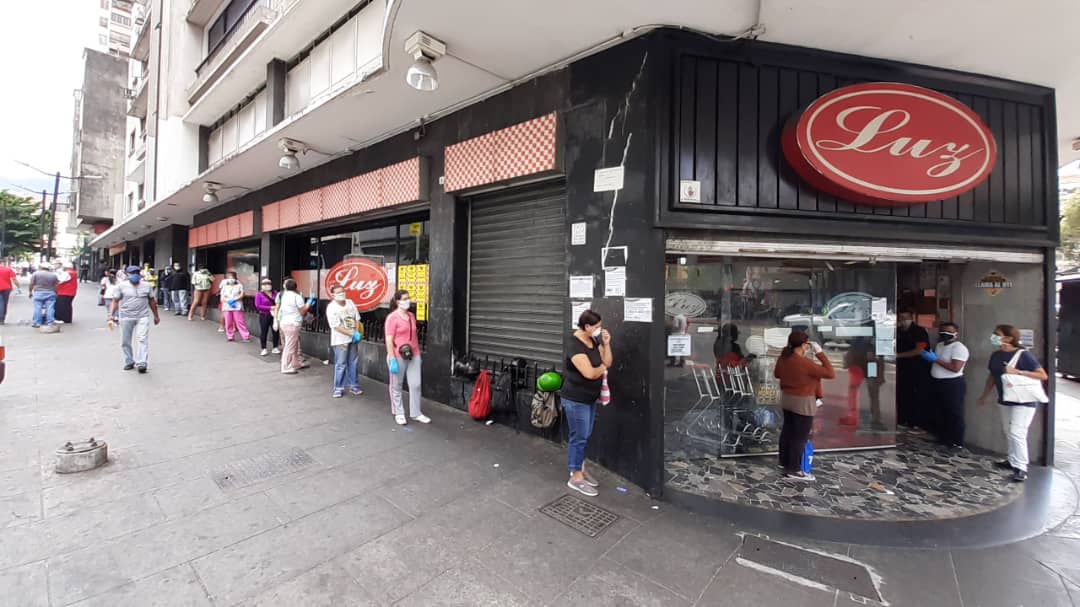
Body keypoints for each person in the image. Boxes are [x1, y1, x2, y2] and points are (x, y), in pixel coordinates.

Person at [977, 324, 1049, 482]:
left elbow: (1042, 375)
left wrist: (1018, 372)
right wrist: (984, 396)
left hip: (1024, 401)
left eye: (997, 334)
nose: (993, 337)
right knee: (1008, 431)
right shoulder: (996, 355)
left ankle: (1021, 467)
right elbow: (992, 377)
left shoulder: (1023, 355)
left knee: (1017, 432)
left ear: (1009, 338)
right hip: (1005, 399)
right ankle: (1012, 460)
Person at [560, 309, 613, 497]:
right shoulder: (574, 345)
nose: (600, 330)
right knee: (579, 437)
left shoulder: (593, 340)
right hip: (575, 400)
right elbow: (589, 373)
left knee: (585, 435)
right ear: (587, 326)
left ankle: (579, 468)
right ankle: (575, 478)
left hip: (589, 398)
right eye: (597, 327)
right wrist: (602, 367)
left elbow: (607, 362)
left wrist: (606, 344)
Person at [774, 331, 835, 481]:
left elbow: (777, 374)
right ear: (803, 345)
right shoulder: (804, 363)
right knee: (799, 436)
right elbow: (830, 373)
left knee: (788, 432)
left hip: (788, 399)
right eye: (807, 344)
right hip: (803, 402)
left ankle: (784, 462)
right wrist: (820, 353)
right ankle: (794, 469)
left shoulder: (784, 358)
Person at [385, 289, 429, 425]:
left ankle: (416, 413)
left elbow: (414, 336)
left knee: (416, 384)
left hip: (414, 354)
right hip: (397, 355)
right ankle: (398, 412)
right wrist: (392, 358)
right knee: (396, 385)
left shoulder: (411, 316)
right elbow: (389, 339)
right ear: (398, 301)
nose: (407, 301)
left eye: (408, 298)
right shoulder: (392, 318)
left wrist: (418, 353)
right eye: (404, 299)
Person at [922, 322, 969, 449]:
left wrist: (935, 359)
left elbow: (955, 368)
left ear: (955, 334)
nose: (945, 335)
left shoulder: (959, 348)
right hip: (938, 382)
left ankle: (957, 441)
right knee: (940, 411)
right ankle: (943, 437)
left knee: (954, 412)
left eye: (948, 333)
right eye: (942, 332)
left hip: (952, 384)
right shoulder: (940, 345)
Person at [110, 265, 161, 373]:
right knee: (125, 341)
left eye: (136, 273)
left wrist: (156, 316)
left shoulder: (147, 286)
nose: (135, 275)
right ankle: (129, 361)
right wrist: (111, 315)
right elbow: (115, 301)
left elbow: (152, 301)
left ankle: (142, 362)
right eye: (132, 273)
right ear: (127, 275)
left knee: (142, 338)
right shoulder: (121, 286)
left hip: (142, 316)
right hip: (125, 316)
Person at [895, 310, 931, 431]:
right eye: (901, 317)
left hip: (917, 369)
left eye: (905, 318)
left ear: (911, 318)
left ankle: (916, 423)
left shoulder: (919, 331)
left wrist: (898, 355)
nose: (903, 320)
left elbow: (919, 350)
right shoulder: (899, 331)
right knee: (902, 394)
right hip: (902, 369)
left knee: (916, 396)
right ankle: (902, 420)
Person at [326, 285, 363, 398]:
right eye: (338, 293)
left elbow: (356, 318)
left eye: (342, 291)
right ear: (333, 295)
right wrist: (352, 334)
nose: (341, 294)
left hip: (353, 339)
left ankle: (354, 385)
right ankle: (338, 388)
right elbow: (336, 326)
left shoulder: (350, 303)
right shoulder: (331, 308)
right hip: (340, 340)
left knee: (353, 362)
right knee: (341, 364)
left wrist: (356, 332)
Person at [276, 278, 314, 374]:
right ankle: (285, 367)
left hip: (285, 322)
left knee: (294, 345)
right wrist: (308, 304)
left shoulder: (284, 295)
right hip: (292, 324)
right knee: (290, 346)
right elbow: (302, 311)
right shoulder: (297, 297)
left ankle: (295, 363)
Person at [219, 271, 250, 342]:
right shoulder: (224, 286)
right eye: (229, 277)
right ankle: (230, 336)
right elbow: (222, 297)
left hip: (237, 306)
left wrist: (235, 299)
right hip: (227, 306)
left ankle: (245, 336)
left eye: (232, 277)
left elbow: (242, 294)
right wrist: (228, 301)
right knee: (228, 322)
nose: (230, 279)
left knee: (240, 321)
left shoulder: (239, 285)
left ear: (235, 278)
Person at [254, 278, 280, 356]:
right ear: (262, 286)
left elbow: (279, 302)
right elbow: (258, 306)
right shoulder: (259, 294)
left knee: (275, 331)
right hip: (264, 315)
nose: (267, 285)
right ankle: (263, 348)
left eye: (268, 284)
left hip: (274, 315)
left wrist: (276, 308)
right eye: (265, 284)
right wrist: (270, 308)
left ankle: (275, 347)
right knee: (264, 331)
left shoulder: (275, 293)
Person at [29, 262, 59, 328]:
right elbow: (56, 286)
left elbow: (31, 284)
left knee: (37, 308)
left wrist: (30, 292)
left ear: (41, 267)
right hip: (50, 293)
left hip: (38, 293)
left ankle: (37, 323)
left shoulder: (35, 274)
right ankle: (50, 322)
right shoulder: (53, 275)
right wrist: (56, 293)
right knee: (50, 308)